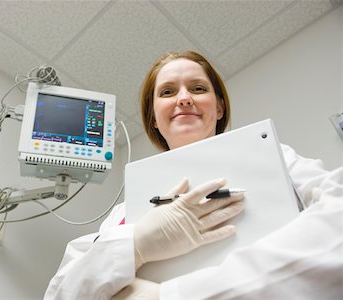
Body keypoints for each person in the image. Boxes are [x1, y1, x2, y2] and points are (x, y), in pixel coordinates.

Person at [44, 51, 343, 300]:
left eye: (198, 88)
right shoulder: (122, 216)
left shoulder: (279, 159)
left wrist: (169, 296)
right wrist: (134, 244)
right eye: (167, 92)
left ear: (220, 107)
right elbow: (60, 292)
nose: (183, 98)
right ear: (153, 118)